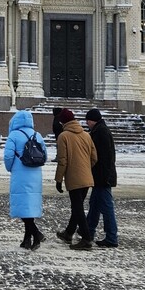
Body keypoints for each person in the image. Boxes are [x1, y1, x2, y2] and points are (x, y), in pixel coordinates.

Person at [3, 109, 48, 249]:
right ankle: (27, 240)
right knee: (29, 208)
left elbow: (8, 156)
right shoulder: (37, 135)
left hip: (20, 175)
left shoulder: (14, 135)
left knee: (23, 208)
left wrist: (11, 168)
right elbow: (44, 155)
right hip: (35, 175)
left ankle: (37, 234)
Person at [54, 107, 97, 251]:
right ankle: (69, 233)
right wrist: (85, 169)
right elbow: (94, 157)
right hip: (87, 177)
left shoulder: (63, 136)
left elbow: (62, 161)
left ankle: (86, 238)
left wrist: (58, 180)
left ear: (63, 122)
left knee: (77, 208)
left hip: (74, 178)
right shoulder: (86, 135)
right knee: (77, 207)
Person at [85, 107, 119, 247]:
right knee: (94, 205)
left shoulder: (100, 132)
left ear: (92, 120)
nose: (87, 123)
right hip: (101, 176)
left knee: (106, 207)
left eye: (88, 121)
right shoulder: (99, 130)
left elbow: (105, 158)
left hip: (103, 177)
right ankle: (88, 231)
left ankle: (111, 237)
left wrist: (104, 177)